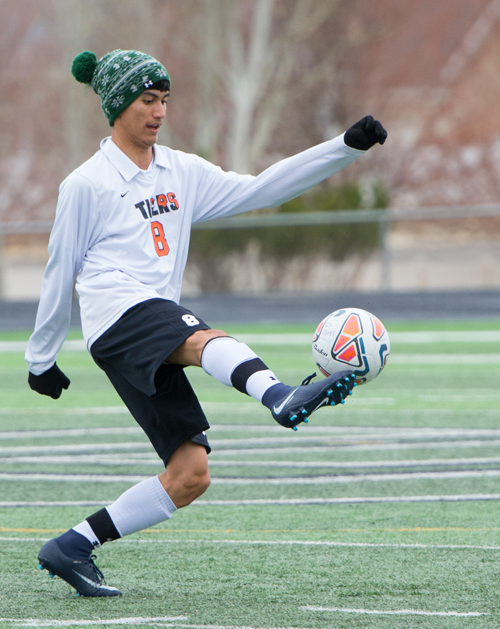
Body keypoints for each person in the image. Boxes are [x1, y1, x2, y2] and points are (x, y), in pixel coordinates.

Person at [26, 49, 388, 597]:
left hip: (152, 323)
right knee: (198, 337)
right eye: (148, 99)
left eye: (165, 99)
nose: (159, 111)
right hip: (118, 315)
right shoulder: (87, 184)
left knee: (190, 475)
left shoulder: (181, 171)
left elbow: (260, 188)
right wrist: (42, 357)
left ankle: (72, 546)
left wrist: (343, 148)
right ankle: (279, 396)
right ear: (118, 105)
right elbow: (59, 269)